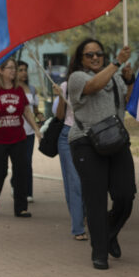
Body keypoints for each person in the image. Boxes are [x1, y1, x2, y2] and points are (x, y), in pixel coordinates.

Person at [67, 40, 135, 270]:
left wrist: (129, 80)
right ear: (80, 59)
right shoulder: (77, 78)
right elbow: (94, 86)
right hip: (86, 141)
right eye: (89, 55)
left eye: (99, 53)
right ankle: (100, 251)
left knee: (126, 195)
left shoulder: (114, 75)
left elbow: (126, 100)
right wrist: (117, 62)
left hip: (115, 139)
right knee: (95, 198)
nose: (95, 57)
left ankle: (109, 232)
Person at [0, 57, 40, 217]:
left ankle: (21, 207)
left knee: (21, 171)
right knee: (1, 171)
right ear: (0, 70)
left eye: (14, 68)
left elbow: (26, 111)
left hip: (18, 137)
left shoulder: (18, 90)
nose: (14, 71)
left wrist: (36, 129)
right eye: (10, 68)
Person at [52, 82, 87, 240]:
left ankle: (85, 214)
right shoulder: (66, 86)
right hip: (68, 135)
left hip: (90, 134)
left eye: (97, 54)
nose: (94, 57)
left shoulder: (96, 82)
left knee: (89, 180)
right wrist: (60, 96)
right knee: (74, 182)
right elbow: (59, 116)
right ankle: (78, 227)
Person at [16, 60, 44, 202]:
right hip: (16, 131)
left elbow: (35, 110)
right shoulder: (13, 89)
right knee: (19, 161)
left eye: (25, 69)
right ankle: (16, 185)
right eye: (20, 70)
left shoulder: (32, 89)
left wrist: (40, 116)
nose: (24, 73)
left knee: (27, 161)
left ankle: (28, 192)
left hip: (30, 132)